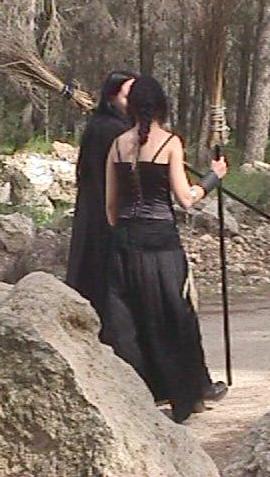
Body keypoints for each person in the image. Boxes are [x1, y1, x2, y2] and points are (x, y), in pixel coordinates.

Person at [101, 75, 228, 423]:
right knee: (173, 317)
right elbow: (185, 198)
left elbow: (111, 206)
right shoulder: (170, 143)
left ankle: (142, 394)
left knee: (132, 321)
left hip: (125, 242)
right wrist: (213, 178)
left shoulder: (117, 145)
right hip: (161, 244)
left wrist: (124, 231)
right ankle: (186, 397)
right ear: (161, 105)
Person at [66, 70, 137, 320]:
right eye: (128, 96)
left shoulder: (112, 126)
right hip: (105, 210)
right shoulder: (109, 130)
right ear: (111, 97)